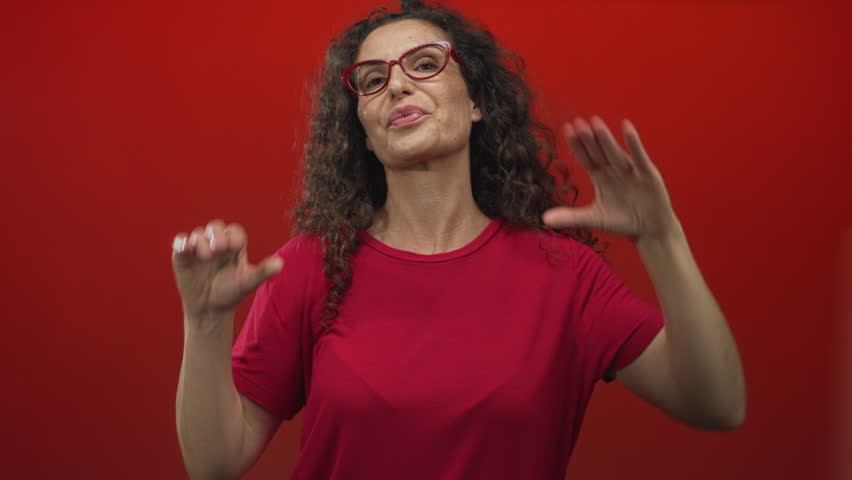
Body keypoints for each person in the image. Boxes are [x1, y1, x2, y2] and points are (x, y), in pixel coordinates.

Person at [172, 0, 746, 478]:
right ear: (364, 135)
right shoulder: (310, 266)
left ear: (475, 102)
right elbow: (214, 464)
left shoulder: (563, 272)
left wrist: (662, 240)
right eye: (373, 80)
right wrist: (204, 324)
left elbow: (717, 404)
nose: (396, 84)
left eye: (424, 63)